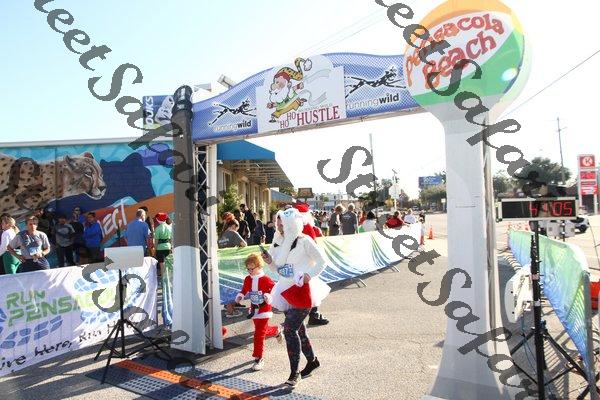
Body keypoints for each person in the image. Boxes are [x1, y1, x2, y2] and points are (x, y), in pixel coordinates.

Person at [262, 208, 330, 387]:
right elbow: (276, 269)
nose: (278, 225)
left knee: (289, 330)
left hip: (302, 291)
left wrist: (308, 275)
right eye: (277, 222)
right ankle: (313, 361)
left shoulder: (304, 241)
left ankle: (294, 373)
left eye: (281, 222)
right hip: (285, 292)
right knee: (299, 330)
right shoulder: (277, 241)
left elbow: (322, 261)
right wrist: (269, 261)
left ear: (291, 224)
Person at [234, 253, 283, 371]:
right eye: (248, 269)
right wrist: (240, 296)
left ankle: (258, 358)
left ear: (259, 266)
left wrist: (268, 296)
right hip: (254, 309)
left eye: (252, 268)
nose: (250, 271)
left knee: (258, 334)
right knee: (261, 330)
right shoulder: (248, 279)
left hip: (264, 309)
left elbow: (274, 290)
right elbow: (244, 289)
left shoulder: (265, 279)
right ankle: (276, 330)